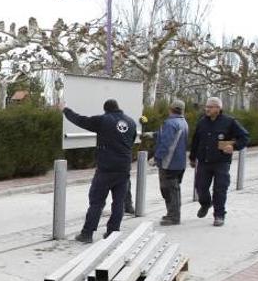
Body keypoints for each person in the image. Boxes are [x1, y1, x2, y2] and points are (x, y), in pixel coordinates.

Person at [63, 99, 138, 243]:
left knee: (96, 202)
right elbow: (131, 141)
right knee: (119, 202)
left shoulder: (103, 120)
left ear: (106, 110)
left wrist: (65, 110)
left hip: (106, 168)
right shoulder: (131, 122)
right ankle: (112, 232)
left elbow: (80, 120)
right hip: (124, 168)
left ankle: (87, 233)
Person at [189, 97, 250, 227]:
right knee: (200, 187)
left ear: (218, 108)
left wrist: (234, 146)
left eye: (210, 107)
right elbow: (195, 141)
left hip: (221, 162)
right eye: (206, 107)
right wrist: (193, 158)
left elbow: (244, 137)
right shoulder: (202, 122)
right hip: (204, 161)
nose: (207, 109)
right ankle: (205, 203)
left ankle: (219, 215)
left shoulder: (229, 122)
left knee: (220, 189)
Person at [153, 100, 189, 226]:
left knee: (168, 189)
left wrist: (156, 158)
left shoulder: (170, 123)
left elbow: (166, 143)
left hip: (169, 162)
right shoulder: (183, 122)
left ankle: (173, 216)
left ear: (171, 109)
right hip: (180, 162)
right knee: (175, 189)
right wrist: (154, 135)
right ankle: (173, 214)